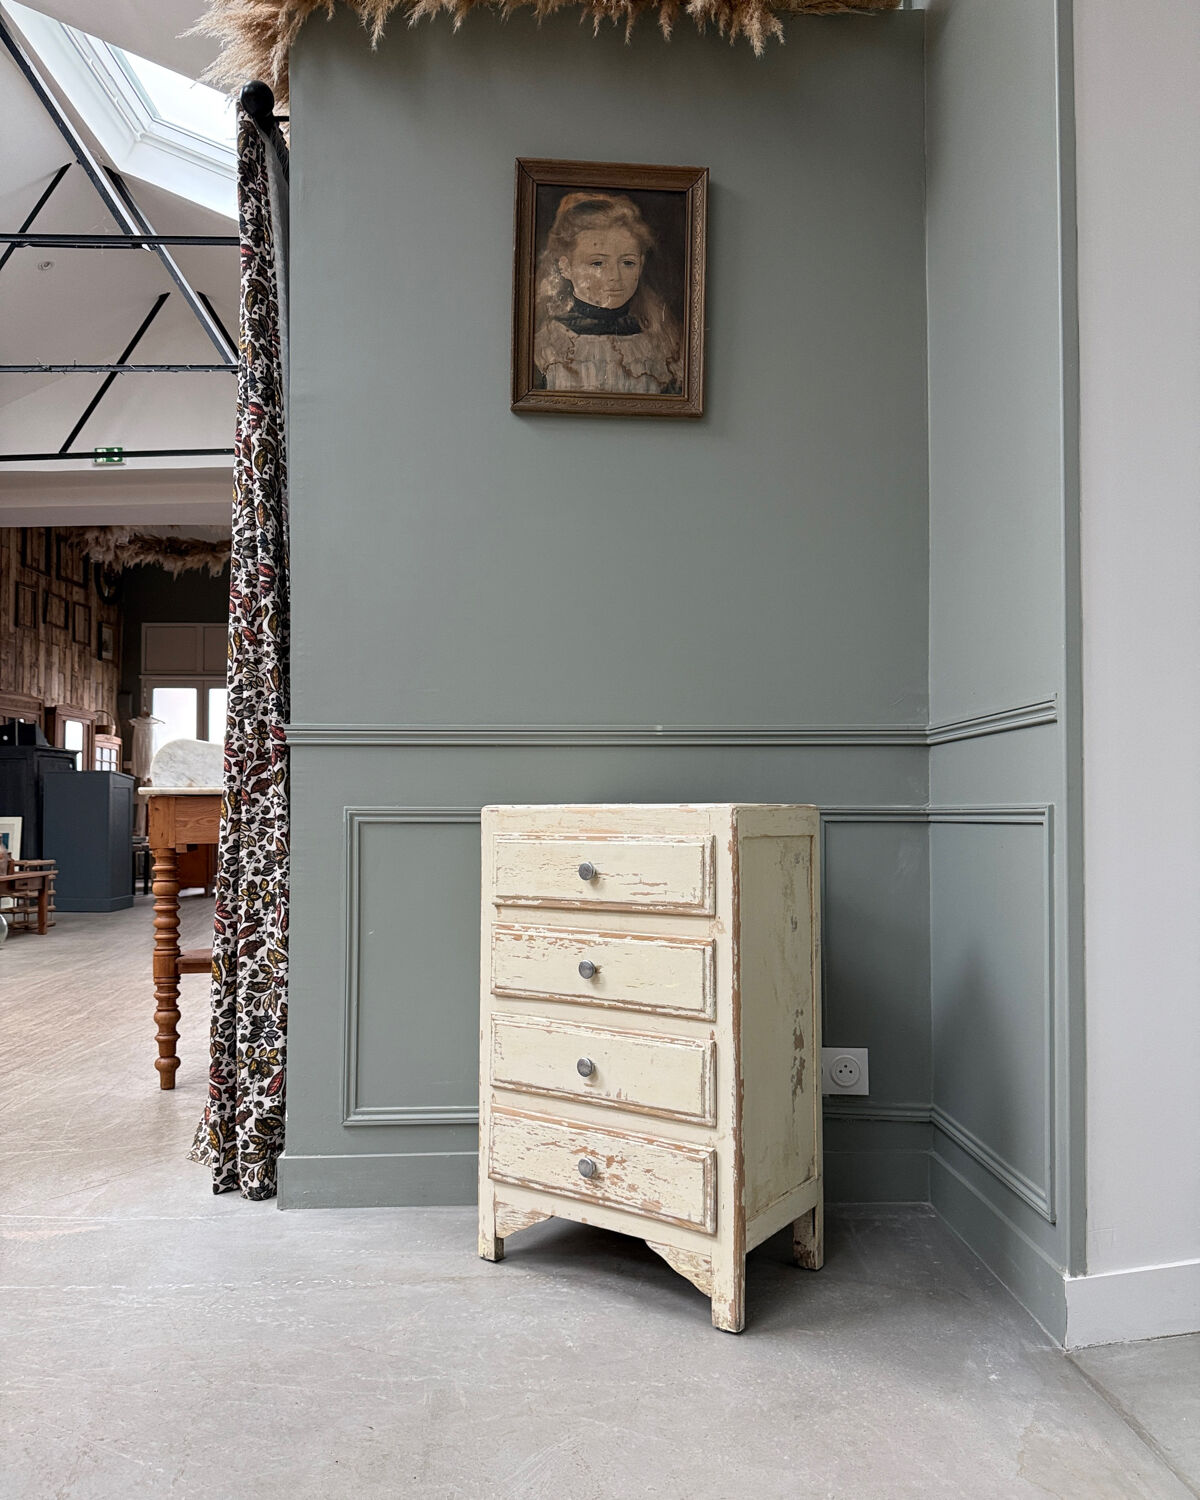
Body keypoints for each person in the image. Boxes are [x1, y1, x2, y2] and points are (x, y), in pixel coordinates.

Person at [533, 192, 683, 395]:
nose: (615, 276)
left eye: (627, 263)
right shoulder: (547, 345)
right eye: (597, 263)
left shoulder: (659, 346)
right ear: (566, 267)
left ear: (641, 264)